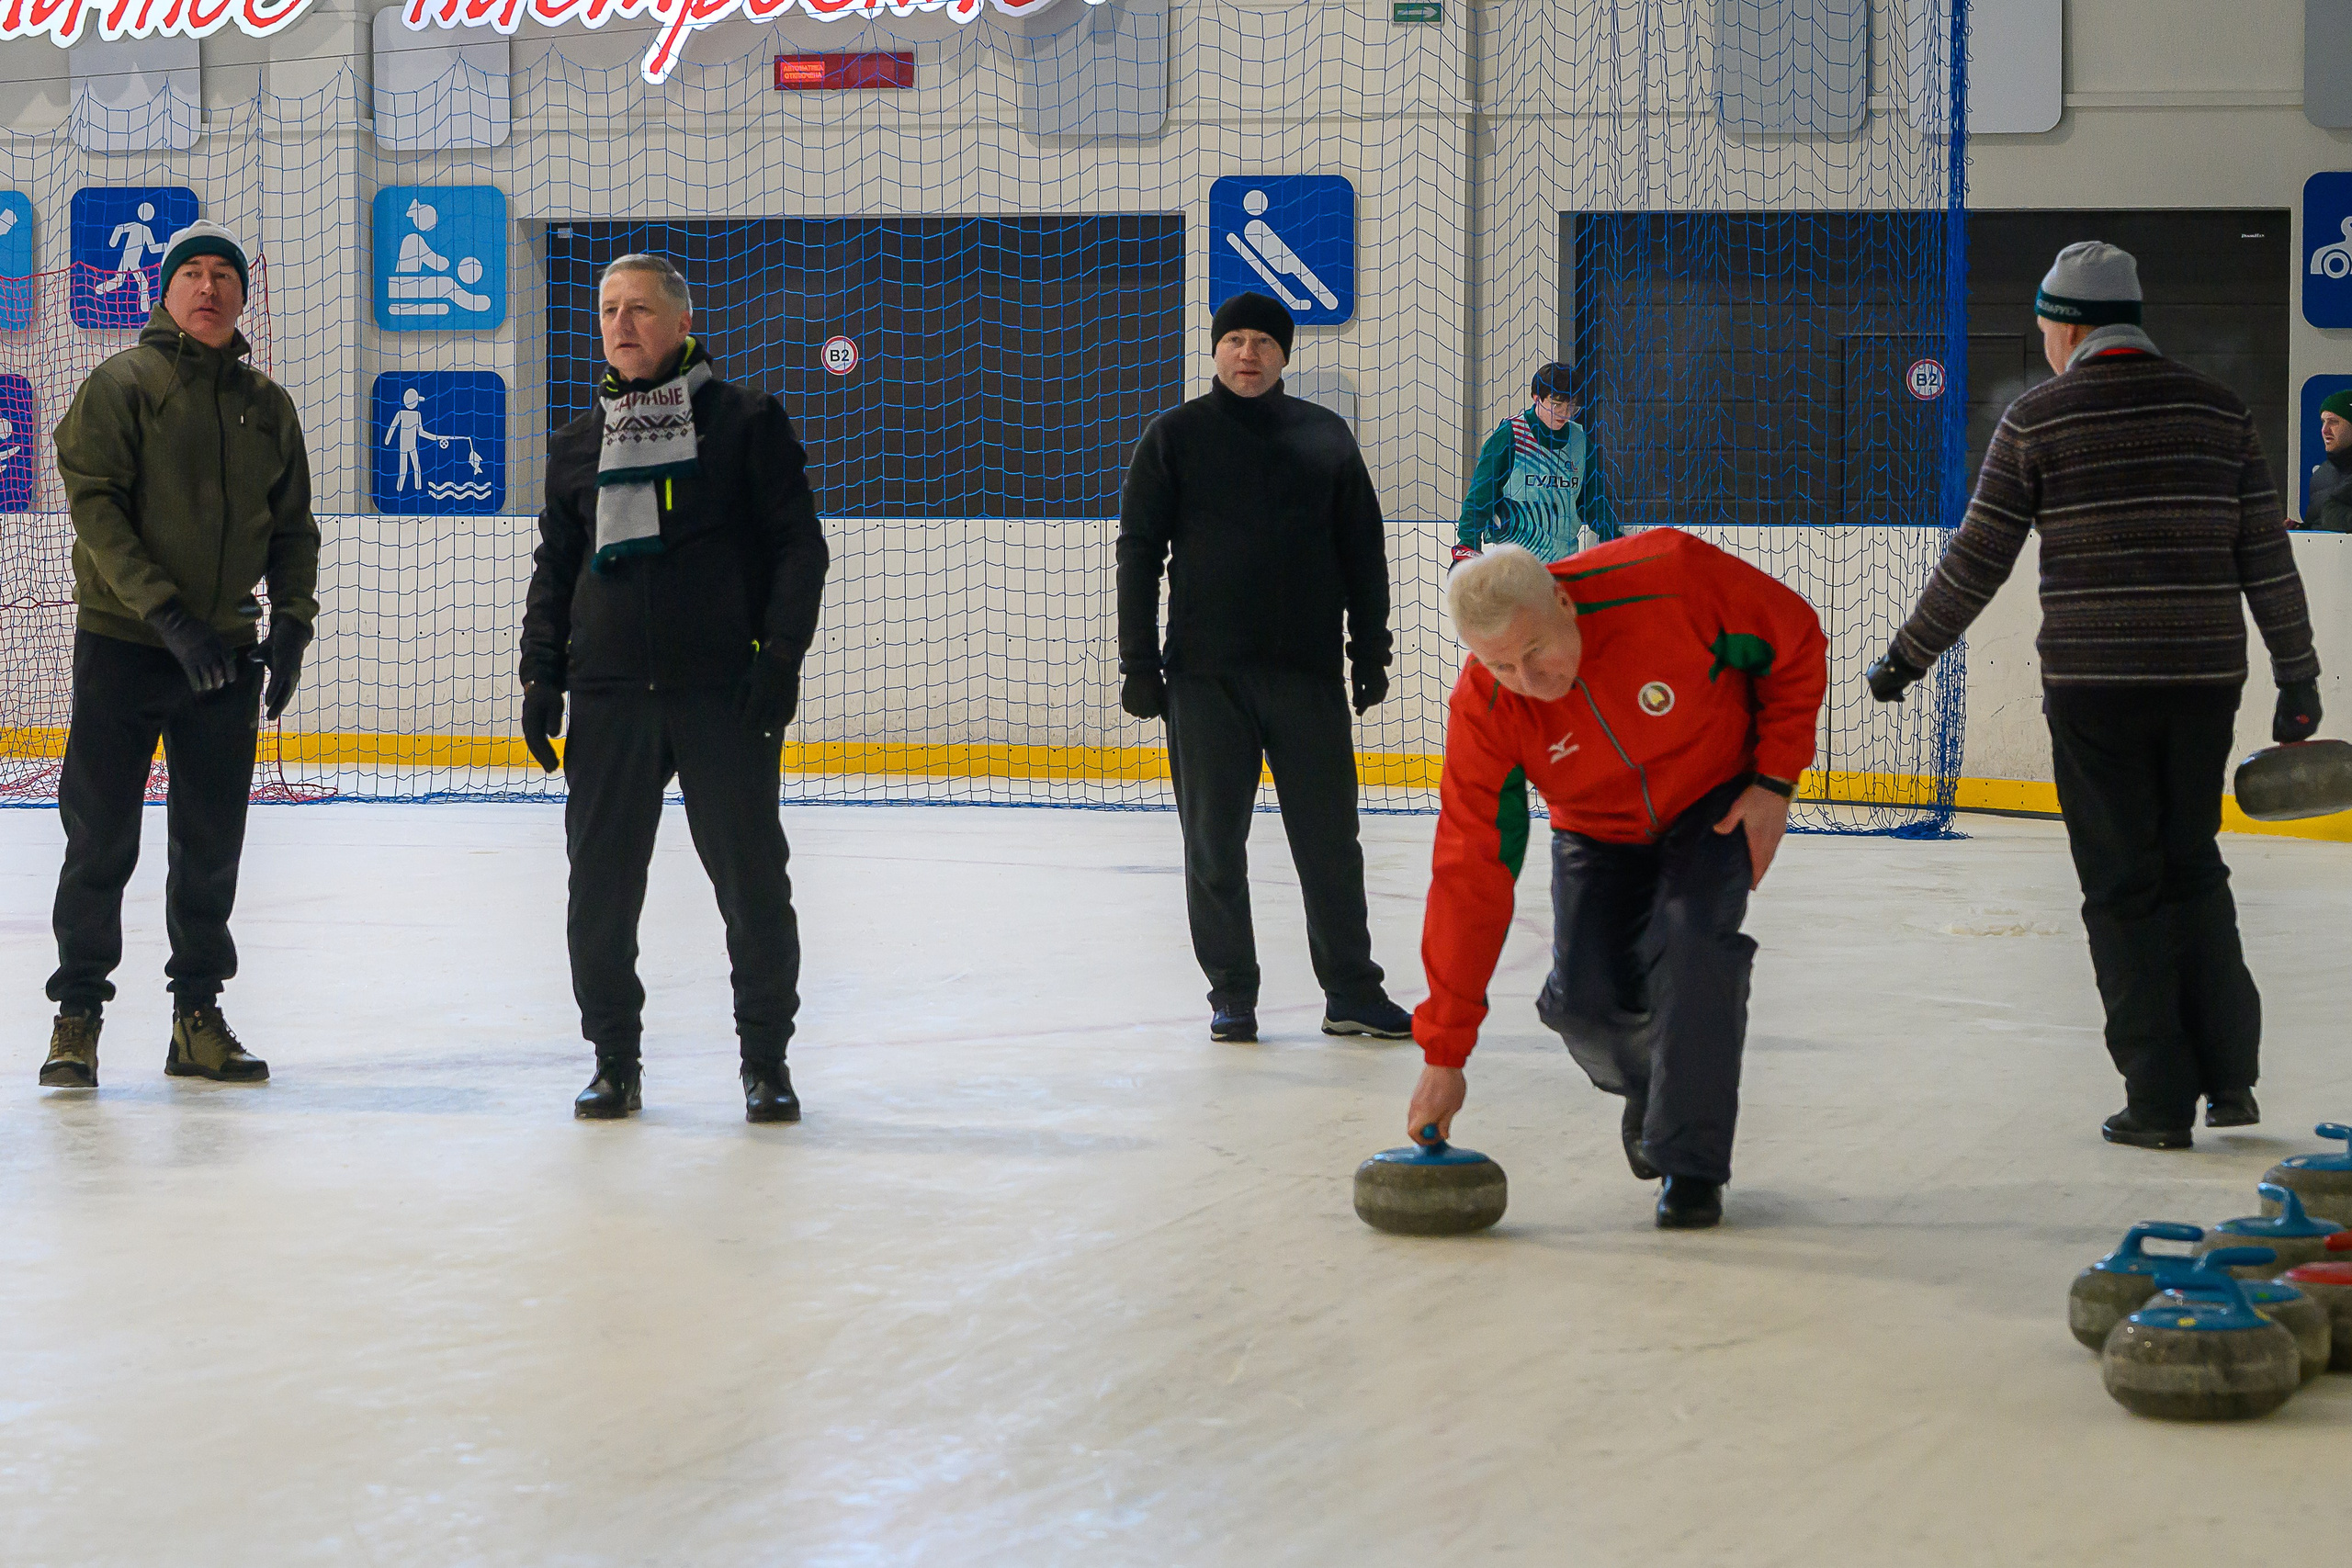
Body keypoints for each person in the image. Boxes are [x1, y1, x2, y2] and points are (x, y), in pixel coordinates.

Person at [1867, 240, 2321, 1149]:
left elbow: (1977, 560)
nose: (2043, 342)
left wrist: (1905, 658)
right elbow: (2264, 558)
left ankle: (2156, 1097)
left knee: (2122, 887)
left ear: (2068, 328)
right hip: (2202, 684)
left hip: (2095, 690)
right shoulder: (2219, 412)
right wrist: (2298, 675)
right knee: (2191, 865)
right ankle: (2229, 1079)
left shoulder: (2038, 420)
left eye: (2043, 327)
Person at [1404, 538, 1826, 1228]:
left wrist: (1775, 779)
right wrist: (1444, 1053)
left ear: (1564, 601)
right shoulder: (1485, 708)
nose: (1528, 680)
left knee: (1696, 940)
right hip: (1595, 829)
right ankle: (1658, 1087)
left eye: (1535, 650)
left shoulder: (1671, 581)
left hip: (1711, 797)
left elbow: (1796, 640)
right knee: (1587, 1003)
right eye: (1499, 664)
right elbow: (1467, 872)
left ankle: (1691, 1166)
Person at [519, 253, 828, 1124]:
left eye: (641, 309)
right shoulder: (580, 441)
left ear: (682, 324)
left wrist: (779, 658)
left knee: (753, 883)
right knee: (601, 890)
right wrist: (541, 671)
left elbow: (799, 550)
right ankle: (614, 1058)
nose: (623, 324)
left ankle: (765, 1060)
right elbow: (557, 566)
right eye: (610, 310)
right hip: (609, 696)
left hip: (721, 694)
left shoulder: (744, 422)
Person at [39, 220, 318, 1090]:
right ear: (164, 292)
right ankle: (76, 1017)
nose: (209, 287)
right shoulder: (121, 384)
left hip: (225, 659)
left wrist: (295, 623)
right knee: (100, 838)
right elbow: (99, 512)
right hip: (125, 649)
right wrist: (167, 618)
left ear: (242, 295)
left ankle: (196, 1017)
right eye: (191, 274)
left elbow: (294, 528)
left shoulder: (266, 404)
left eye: (224, 276)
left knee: (210, 844)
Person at [1116, 289, 1414, 1044]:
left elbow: (1363, 554)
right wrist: (1139, 662)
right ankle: (1232, 993)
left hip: (1306, 675)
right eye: (1235, 339)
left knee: (1330, 842)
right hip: (1204, 679)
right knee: (1214, 844)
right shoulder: (1174, 437)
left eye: (1264, 342)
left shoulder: (1325, 437)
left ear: (1286, 353)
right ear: (1216, 349)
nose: (1248, 353)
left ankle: (1350, 989)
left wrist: (1368, 650)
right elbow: (1139, 555)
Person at [1453, 362, 1618, 564]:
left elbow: (1595, 503)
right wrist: (1467, 547)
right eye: (1556, 405)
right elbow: (1479, 498)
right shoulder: (1509, 437)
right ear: (1536, 398)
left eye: (1571, 406)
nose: (1564, 414)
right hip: (1514, 568)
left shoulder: (1581, 443)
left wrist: (1615, 542)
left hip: (1562, 565)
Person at [2306, 389, 2352, 531]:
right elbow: (2318, 524)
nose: (2324, 430)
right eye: (2323, 422)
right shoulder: (2321, 475)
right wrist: (2301, 528)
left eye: (2333, 422)